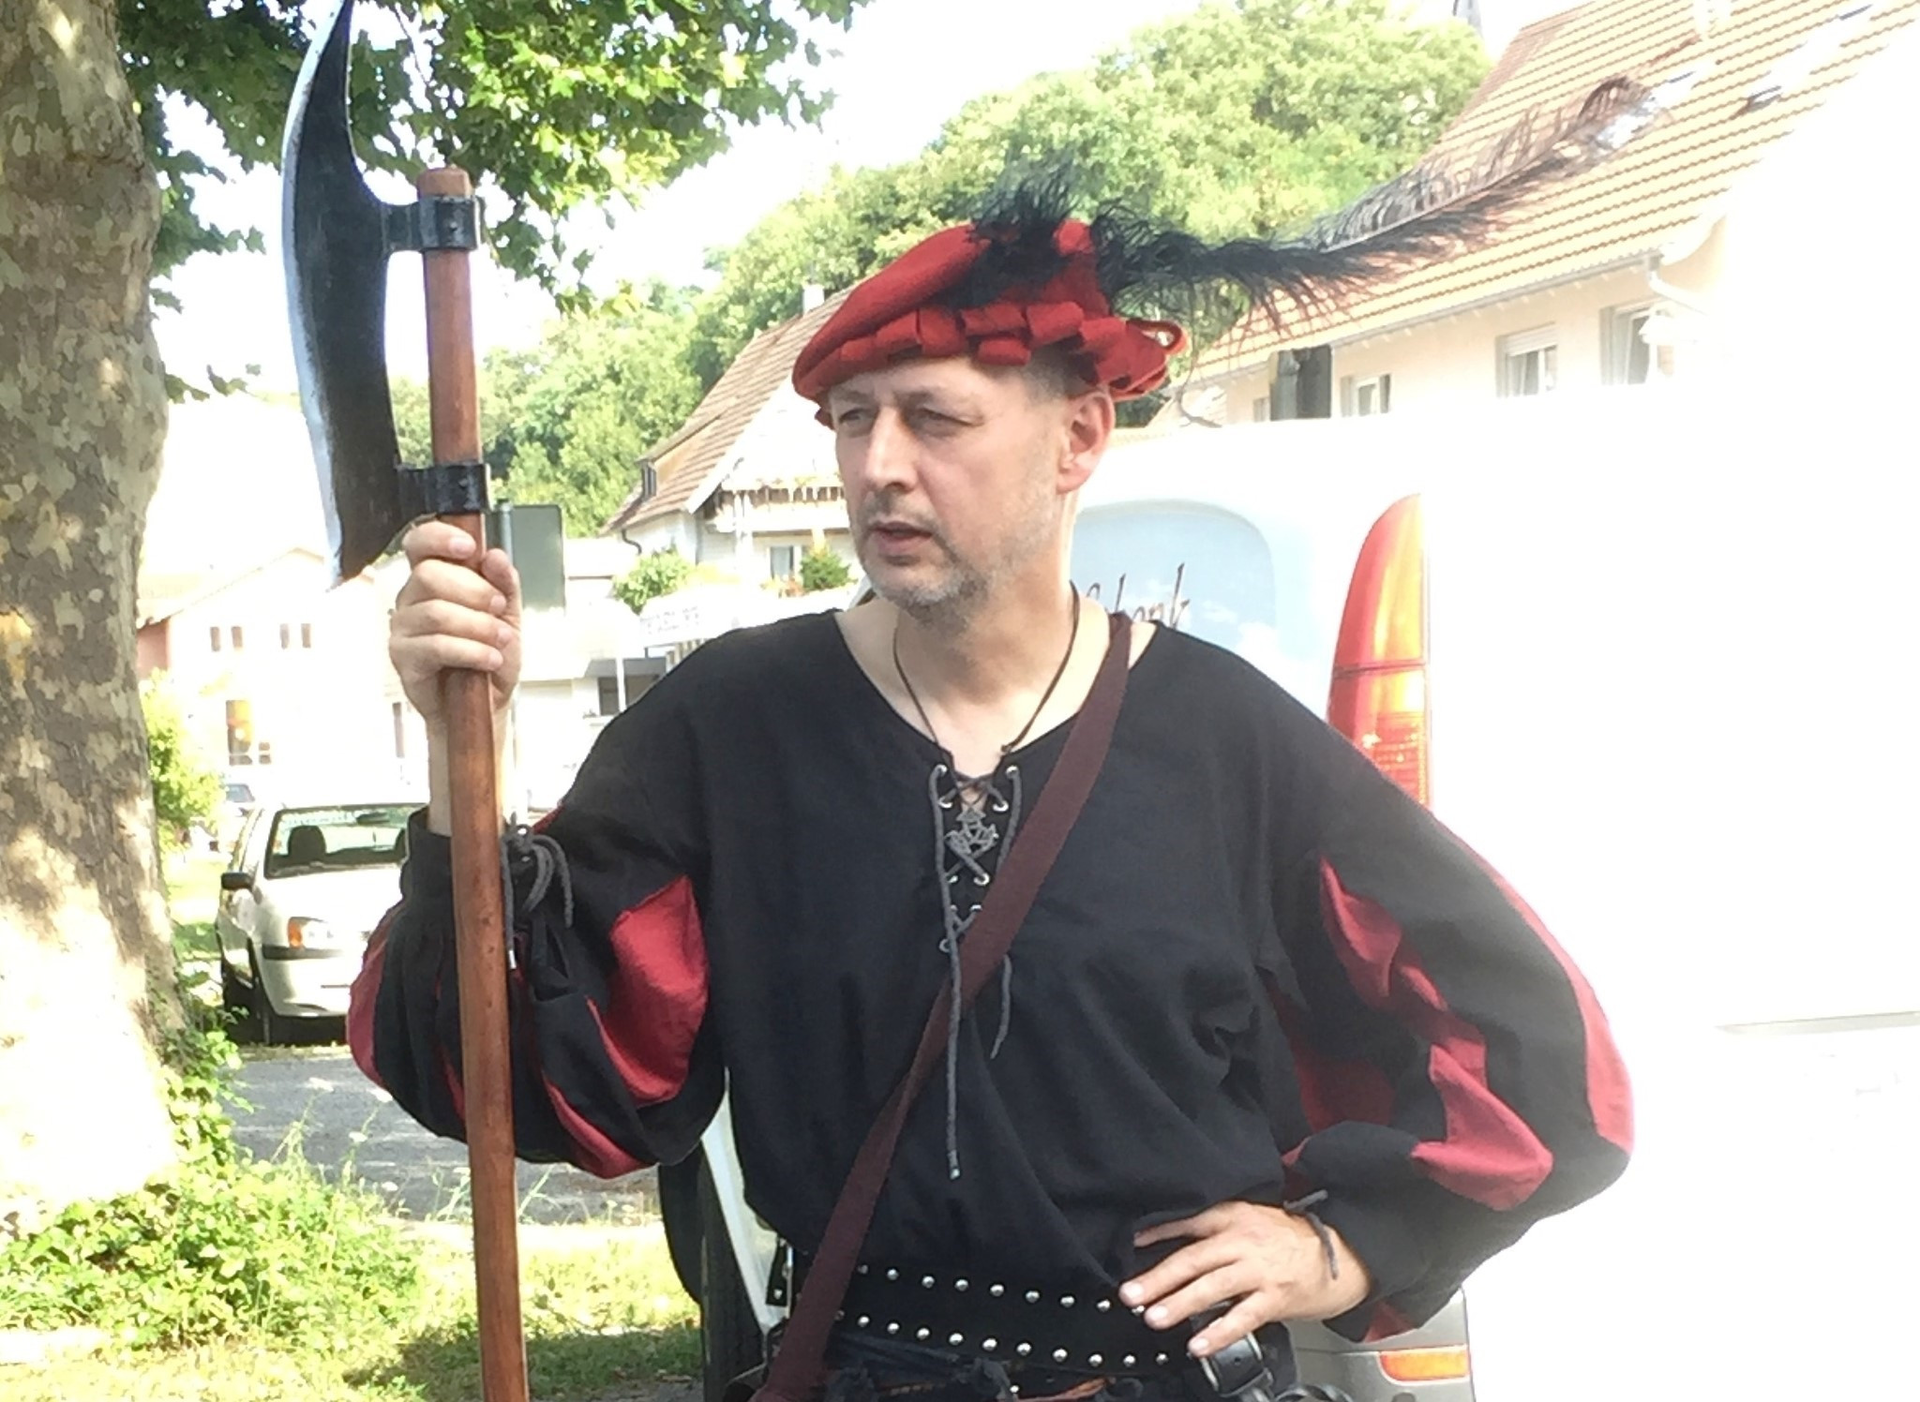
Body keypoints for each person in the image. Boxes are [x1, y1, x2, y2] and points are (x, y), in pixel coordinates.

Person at [351, 180, 1632, 1402]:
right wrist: (465, 763)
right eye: (853, 419)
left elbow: (1542, 1052)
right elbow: (521, 1073)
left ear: (1080, 437)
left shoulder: (1225, 742)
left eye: (935, 418)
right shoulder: (731, 727)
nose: (879, 465)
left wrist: (1346, 1247)